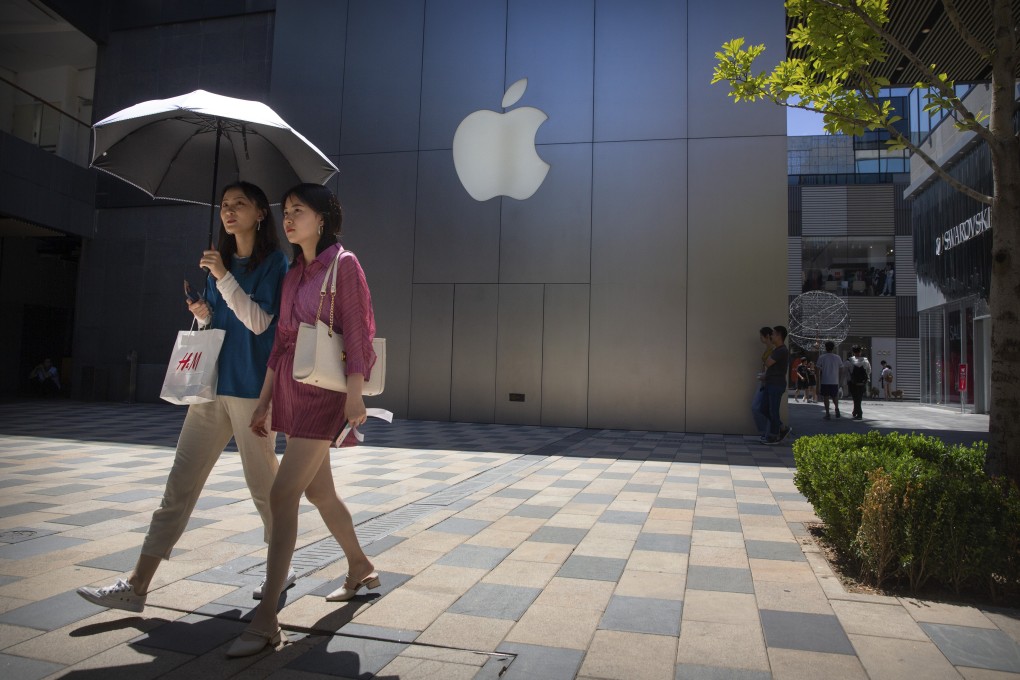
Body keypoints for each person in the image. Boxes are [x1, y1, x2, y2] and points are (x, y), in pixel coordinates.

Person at [77, 182, 290, 613]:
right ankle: (137, 585)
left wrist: (223, 279)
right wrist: (203, 312)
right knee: (179, 485)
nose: (229, 212)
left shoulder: (275, 265)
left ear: (260, 214)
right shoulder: (222, 262)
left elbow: (261, 323)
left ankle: (277, 575)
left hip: (251, 392)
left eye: (239, 205)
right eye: (225, 205)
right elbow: (222, 324)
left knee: (265, 490)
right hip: (210, 390)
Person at [228, 183, 378, 658]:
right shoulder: (293, 273)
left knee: (281, 493)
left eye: (299, 211)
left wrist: (356, 393)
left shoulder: (343, 263)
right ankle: (360, 567)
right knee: (319, 492)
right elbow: (280, 343)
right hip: (293, 391)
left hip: (326, 397)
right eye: (286, 211)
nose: (288, 218)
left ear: (323, 217)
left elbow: (358, 330)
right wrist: (265, 400)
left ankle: (267, 616)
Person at [758, 325, 792, 445]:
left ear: (779, 336)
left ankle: (774, 436)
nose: (771, 336)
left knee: (773, 411)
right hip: (770, 383)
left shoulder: (781, 350)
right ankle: (782, 428)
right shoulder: (777, 350)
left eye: (773, 334)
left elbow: (767, 362)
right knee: (763, 408)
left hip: (776, 385)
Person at [751, 326, 773, 438]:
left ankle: (768, 432)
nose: (760, 338)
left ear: (767, 336)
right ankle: (765, 432)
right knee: (758, 407)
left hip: (768, 381)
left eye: (761, 336)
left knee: (762, 407)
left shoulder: (773, 349)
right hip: (763, 380)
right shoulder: (767, 348)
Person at [815, 341, 843, 420]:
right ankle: (836, 408)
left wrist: (818, 380)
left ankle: (827, 413)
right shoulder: (837, 357)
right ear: (833, 348)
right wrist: (839, 378)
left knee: (826, 397)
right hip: (834, 381)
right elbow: (841, 368)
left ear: (825, 347)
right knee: (835, 396)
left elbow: (817, 368)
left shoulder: (822, 357)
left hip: (825, 380)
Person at [845, 345, 872, 420]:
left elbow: (846, 371)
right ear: (860, 351)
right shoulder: (865, 360)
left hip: (852, 382)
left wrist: (847, 380)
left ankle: (858, 412)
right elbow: (869, 371)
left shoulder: (849, 360)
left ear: (853, 352)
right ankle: (857, 411)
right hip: (862, 382)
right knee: (859, 397)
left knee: (854, 397)